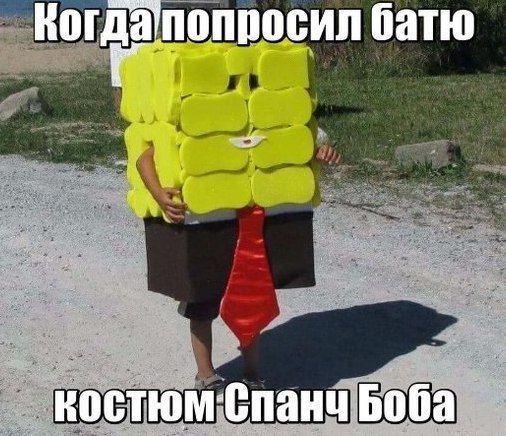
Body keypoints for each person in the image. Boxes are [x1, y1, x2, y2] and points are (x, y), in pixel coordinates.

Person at [136, 135, 341, 402]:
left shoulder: (262, 123)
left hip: (249, 220)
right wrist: (157, 193)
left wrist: (319, 153)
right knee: (202, 301)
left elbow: (293, 147)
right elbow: (146, 157)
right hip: (203, 223)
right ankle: (205, 375)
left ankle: (252, 374)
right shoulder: (188, 125)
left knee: (251, 296)